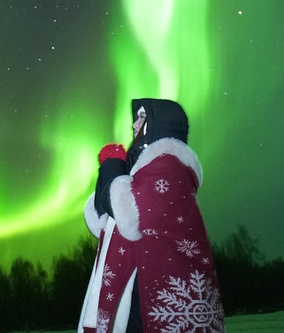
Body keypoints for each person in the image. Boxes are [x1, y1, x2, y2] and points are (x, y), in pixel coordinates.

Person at [78, 98, 224, 333]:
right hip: (142, 283)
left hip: (153, 290)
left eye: (142, 118)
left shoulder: (168, 164)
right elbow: (106, 221)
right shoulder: (150, 170)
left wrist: (113, 168)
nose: (134, 126)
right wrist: (115, 171)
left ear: (159, 125)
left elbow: (128, 219)